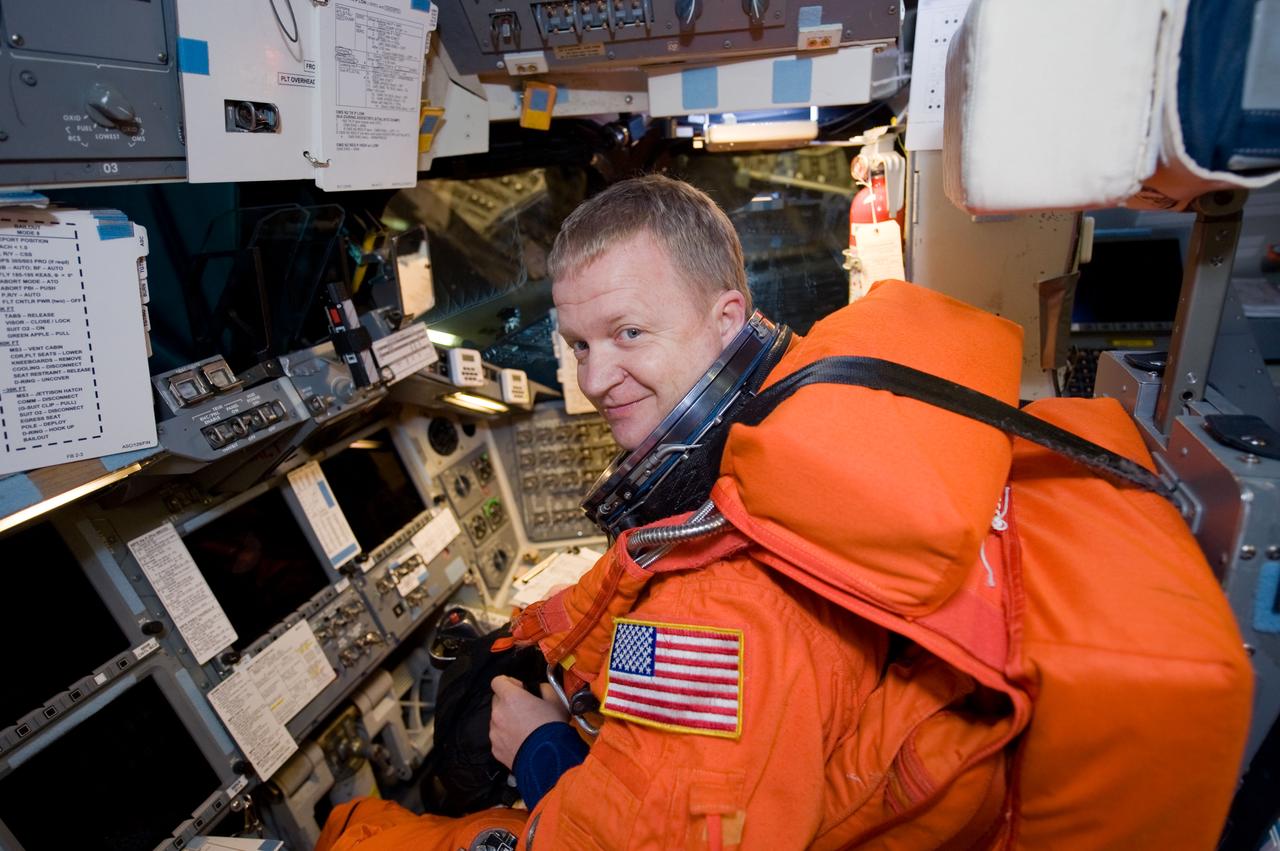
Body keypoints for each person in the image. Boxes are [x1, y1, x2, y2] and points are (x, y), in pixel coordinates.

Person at [317, 175, 1251, 850]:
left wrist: (540, 746)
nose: (596, 378)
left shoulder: (723, 607)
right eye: (579, 343)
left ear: (728, 320)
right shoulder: (821, 416)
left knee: (363, 829)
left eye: (629, 333)